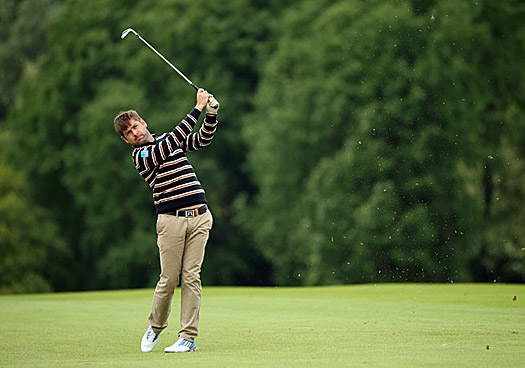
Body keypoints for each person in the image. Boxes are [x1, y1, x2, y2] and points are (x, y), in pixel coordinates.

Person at [113, 89, 220, 353]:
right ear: (126, 140)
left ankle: (188, 338)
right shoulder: (142, 156)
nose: (134, 132)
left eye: (135, 126)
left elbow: (201, 140)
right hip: (170, 221)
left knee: (192, 277)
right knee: (169, 279)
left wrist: (211, 114)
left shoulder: (169, 139)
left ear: (143, 123)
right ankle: (156, 326)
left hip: (200, 217)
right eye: (128, 133)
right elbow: (170, 143)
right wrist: (196, 107)